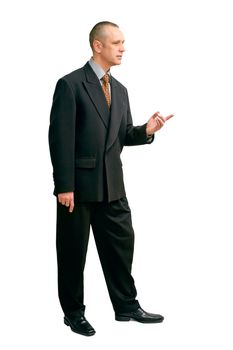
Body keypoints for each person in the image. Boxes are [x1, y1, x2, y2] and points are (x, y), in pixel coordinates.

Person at [48, 21, 174, 337]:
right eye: (117, 42)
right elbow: (60, 138)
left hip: (112, 186)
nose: (123, 48)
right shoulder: (70, 84)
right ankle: (74, 313)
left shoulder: (120, 90)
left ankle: (126, 306)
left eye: (123, 42)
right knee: (72, 253)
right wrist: (64, 185)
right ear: (97, 46)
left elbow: (120, 136)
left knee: (121, 245)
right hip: (77, 189)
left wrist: (145, 132)